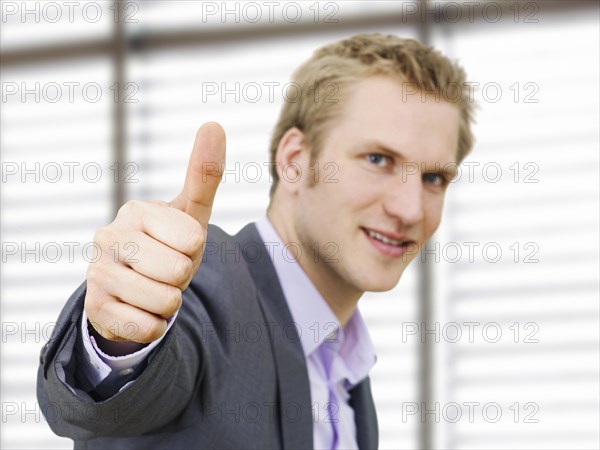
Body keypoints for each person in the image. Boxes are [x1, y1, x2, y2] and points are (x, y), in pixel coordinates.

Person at [37, 33, 475, 449]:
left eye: (434, 177)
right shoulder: (208, 286)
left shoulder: (348, 371)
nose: (411, 209)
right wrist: (122, 337)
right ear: (294, 161)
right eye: (378, 159)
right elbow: (114, 398)